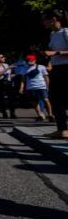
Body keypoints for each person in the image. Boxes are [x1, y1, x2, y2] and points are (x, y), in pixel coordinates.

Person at [42, 10, 68, 138]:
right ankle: (62, 129)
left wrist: (55, 53)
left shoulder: (65, 32)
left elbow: (58, 52)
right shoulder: (53, 34)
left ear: (53, 19)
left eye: (44, 19)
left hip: (66, 68)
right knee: (55, 99)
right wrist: (49, 61)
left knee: (62, 98)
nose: (43, 22)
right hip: (57, 69)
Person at [20, 54, 53, 121]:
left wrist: (47, 86)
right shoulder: (24, 68)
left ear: (35, 60)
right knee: (35, 102)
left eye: (31, 60)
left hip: (41, 87)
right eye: (28, 60)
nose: (29, 62)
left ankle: (50, 115)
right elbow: (23, 80)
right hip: (30, 88)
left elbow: (46, 77)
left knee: (46, 100)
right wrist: (21, 88)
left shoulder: (41, 67)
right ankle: (40, 115)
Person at [0, 54, 14, 119]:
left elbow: (9, 75)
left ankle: (12, 114)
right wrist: (8, 68)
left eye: (4, 57)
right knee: (2, 100)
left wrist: (14, 75)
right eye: (2, 57)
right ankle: (4, 114)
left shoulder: (6, 65)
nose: (4, 58)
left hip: (8, 83)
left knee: (11, 99)